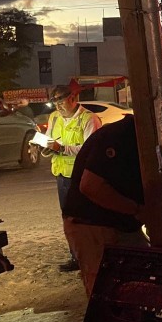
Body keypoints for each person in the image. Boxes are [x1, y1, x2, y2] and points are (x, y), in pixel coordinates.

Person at [62, 115, 147, 297]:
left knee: (137, 282)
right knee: (104, 290)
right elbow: (91, 186)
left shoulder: (133, 135)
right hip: (93, 224)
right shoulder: (120, 136)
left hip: (121, 223)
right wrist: (136, 210)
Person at [43, 84, 102, 272]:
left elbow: (89, 149)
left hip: (81, 176)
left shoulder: (89, 119)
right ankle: (76, 256)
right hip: (61, 176)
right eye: (55, 103)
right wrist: (44, 148)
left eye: (60, 101)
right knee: (68, 219)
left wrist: (61, 149)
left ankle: (93, 255)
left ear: (72, 98)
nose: (58, 107)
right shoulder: (54, 118)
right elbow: (48, 140)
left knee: (86, 217)